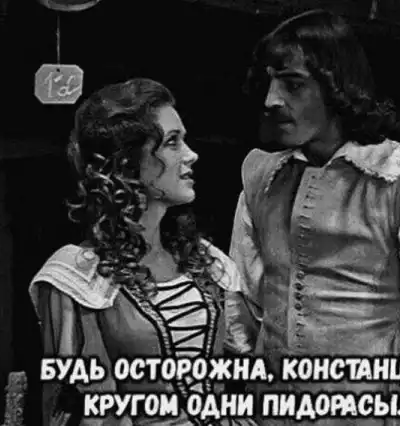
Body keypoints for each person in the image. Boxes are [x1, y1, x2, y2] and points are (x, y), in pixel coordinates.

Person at [225, 9, 400, 426]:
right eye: (270, 83)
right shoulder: (262, 178)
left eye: (293, 84)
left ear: (336, 87)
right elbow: (244, 296)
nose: (272, 100)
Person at [29, 78, 257, 426]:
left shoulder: (203, 260)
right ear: (129, 161)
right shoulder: (79, 275)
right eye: (172, 142)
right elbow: (83, 408)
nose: (191, 155)